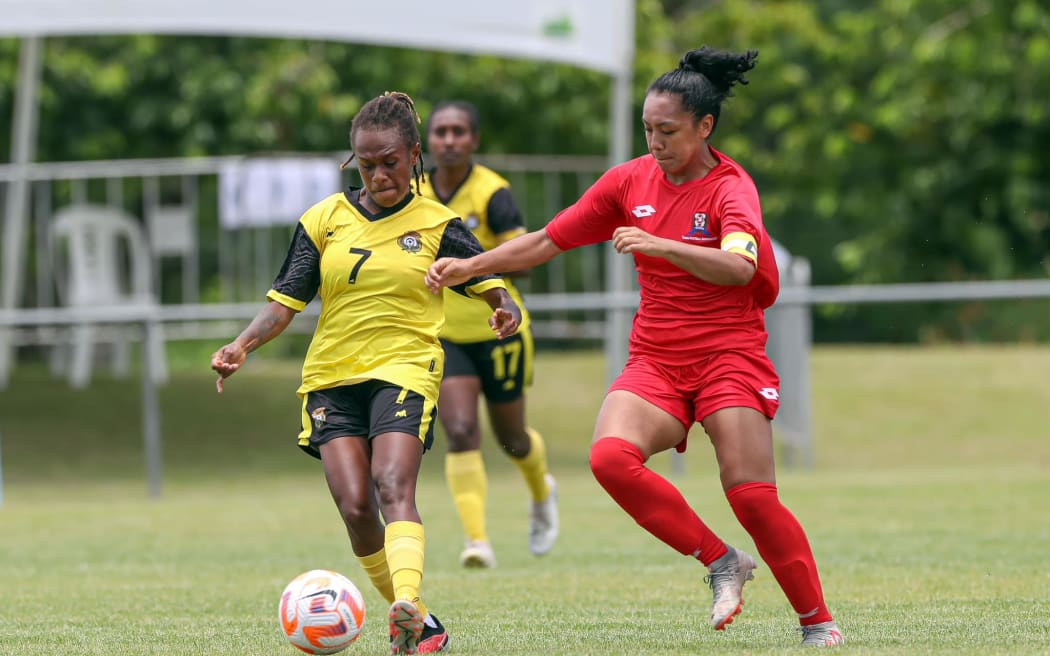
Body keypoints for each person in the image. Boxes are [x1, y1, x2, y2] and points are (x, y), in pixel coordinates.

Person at [425, 47, 845, 647]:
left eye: (668, 131)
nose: (655, 142)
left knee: (750, 494)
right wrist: (469, 266)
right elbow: (546, 241)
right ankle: (723, 561)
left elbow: (735, 268)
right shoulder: (629, 181)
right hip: (657, 359)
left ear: (705, 127)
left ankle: (816, 621)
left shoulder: (731, 189)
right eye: (647, 128)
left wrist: (659, 244)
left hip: (730, 356)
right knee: (609, 460)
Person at [210, 91, 522, 656]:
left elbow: (485, 275)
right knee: (355, 506)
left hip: (405, 367)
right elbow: (284, 302)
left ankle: (405, 599)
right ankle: (420, 624)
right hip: (331, 376)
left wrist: (505, 303)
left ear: (413, 155)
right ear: (355, 161)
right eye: (367, 164)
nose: (380, 174)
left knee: (392, 484)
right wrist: (241, 344)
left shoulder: (438, 223)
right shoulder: (323, 220)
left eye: (390, 162)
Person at [417, 100, 558, 569]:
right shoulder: (412, 192)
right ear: (427, 142)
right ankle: (477, 541)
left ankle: (542, 492)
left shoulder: (493, 192)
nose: (449, 139)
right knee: (459, 430)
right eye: (441, 131)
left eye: (459, 131)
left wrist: (473, 265)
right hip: (446, 335)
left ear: (474, 140)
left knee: (511, 438)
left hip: (501, 328)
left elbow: (525, 258)